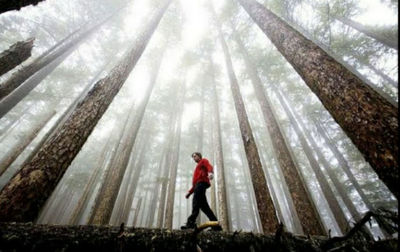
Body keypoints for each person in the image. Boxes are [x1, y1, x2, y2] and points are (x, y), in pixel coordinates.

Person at [181, 152, 219, 230]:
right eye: (193, 157)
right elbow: (195, 183)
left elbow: (209, 166)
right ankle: (216, 227)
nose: (194, 158)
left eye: (195, 156)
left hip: (201, 185)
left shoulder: (203, 161)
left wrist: (210, 173)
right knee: (205, 208)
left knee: (195, 203)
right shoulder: (197, 167)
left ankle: (190, 223)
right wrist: (190, 192)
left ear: (199, 156)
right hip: (198, 186)